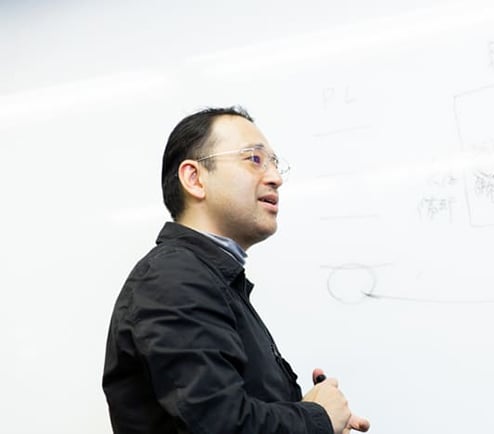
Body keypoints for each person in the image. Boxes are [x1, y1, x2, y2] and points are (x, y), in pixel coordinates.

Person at [102, 106, 370, 434]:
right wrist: (318, 418)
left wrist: (312, 415)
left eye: (275, 164)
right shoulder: (174, 279)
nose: (275, 178)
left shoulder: (211, 279)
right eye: (254, 159)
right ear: (195, 178)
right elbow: (222, 425)